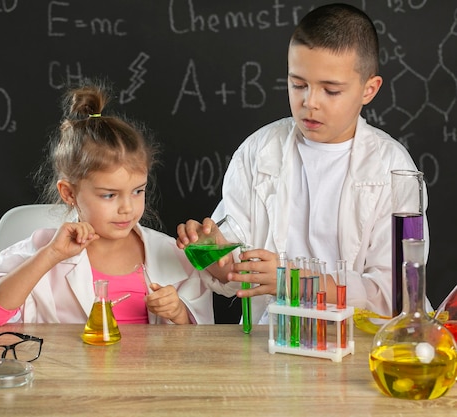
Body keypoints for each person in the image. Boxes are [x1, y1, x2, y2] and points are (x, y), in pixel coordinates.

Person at [176, 3, 429, 324]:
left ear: (369, 89)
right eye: (298, 84)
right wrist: (212, 253)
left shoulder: (392, 167)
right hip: (271, 339)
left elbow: (396, 292)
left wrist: (299, 283)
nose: (310, 101)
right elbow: (233, 266)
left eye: (331, 90)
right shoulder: (259, 150)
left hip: (360, 343)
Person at [0, 82, 235, 326]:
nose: (127, 208)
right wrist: (51, 255)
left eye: (137, 191)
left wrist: (178, 312)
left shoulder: (171, 255)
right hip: (66, 377)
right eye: (109, 195)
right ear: (69, 193)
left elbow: (197, 345)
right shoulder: (43, 250)